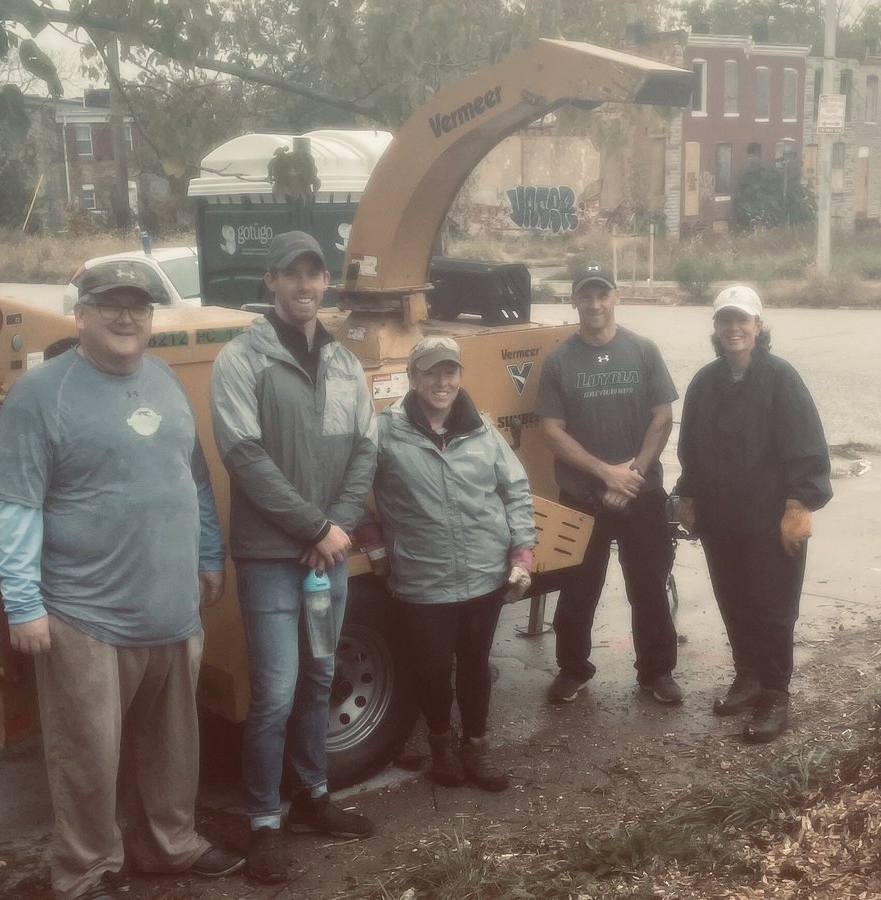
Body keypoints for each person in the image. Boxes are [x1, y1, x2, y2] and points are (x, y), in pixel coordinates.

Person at [0, 262, 243, 900]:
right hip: (85, 617)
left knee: (174, 751)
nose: (127, 318)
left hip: (173, 609)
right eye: (111, 306)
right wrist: (23, 605)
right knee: (88, 759)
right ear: (81, 314)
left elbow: (194, 476)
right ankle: (88, 869)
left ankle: (169, 846)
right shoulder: (42, 394)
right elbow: (14, 506)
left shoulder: (163, 378)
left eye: (139, 306)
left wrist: (210, 552)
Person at [209, 231, 378, 883]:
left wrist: (337, 526)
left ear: (325, 283)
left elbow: (366, 445)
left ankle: (313, 798)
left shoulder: (343, 362)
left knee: (318, 680)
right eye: (292, 275)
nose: (306, 285)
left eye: (315, 274)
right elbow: (243, 456)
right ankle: (262, 822)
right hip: (271, 559)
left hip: (328, 557)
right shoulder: (242, 359)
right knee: (276, 691)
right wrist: (315, 525)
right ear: (271, 283)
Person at [364, 336, 535, 791]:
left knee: (476, 663)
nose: (442, 381)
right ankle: (441, 742)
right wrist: (373, 542)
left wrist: (522, 553)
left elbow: (516, 492)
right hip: (423, 577)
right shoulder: (384, 432)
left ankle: (476, 745)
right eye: (431, 372)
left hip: (484, 573)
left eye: (450, 372)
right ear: (414, 378)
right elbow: (350, 490)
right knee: (433, 667)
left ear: (459, 377)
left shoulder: (483, 431)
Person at [676, 285, 832, 743]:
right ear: (716, 329)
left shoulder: (781, 379)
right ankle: (747, 678)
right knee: (734, 600)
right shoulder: (705, 383)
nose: (733, 329)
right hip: (722, 520)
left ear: (758, 326)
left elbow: (807, 445)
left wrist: (801, 503)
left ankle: (775, 694)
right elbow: (692, 451)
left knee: (773, 608)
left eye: (742, 320)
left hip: (771, 520)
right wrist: (688, 495)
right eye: (725, 321)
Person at [535, 261, 682, 705]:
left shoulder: (642, 350)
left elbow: (663, 415)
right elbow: (552, 430)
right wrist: (606, 473)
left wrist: (633, 474)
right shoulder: (560, 360)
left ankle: (656, 672)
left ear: (615, 296)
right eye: (586, 295)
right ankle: (573, 669)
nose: (595, 304)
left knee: (649, 587)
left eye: (603, 294)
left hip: (642, 494)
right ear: (575, 299)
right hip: (583, 497)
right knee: (578, 591)